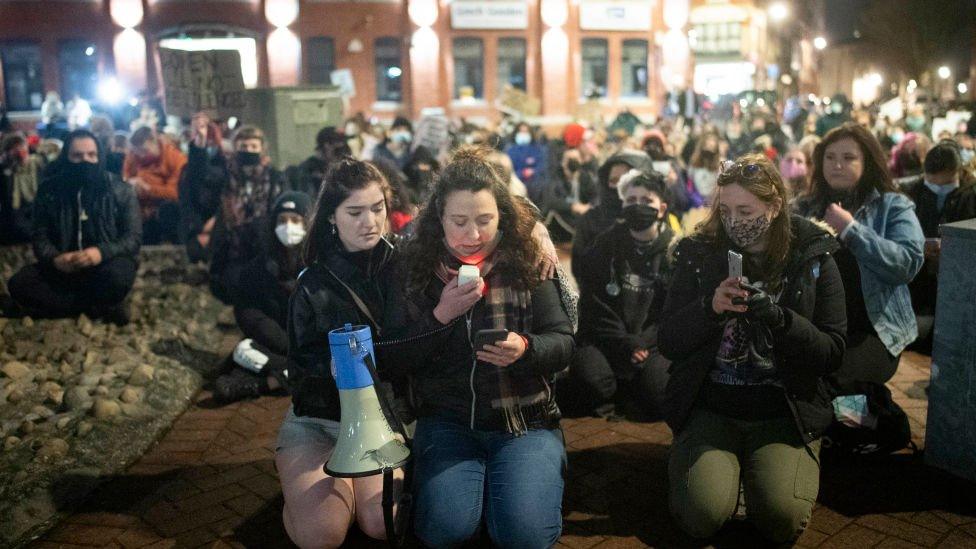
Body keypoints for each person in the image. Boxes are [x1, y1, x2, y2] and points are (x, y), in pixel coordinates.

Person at [389, 146, 574, 548]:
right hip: (448, 422)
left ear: (502, 217)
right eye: (459, 221)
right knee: (444, 530)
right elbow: (394, 356)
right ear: (438, 220)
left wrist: (526, 349)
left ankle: (531, 480)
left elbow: (563, 342)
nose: (472, 235)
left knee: (524, 536)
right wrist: (439, 316)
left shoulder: (528, 260)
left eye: (485, 220)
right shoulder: (416, 269)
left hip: (524, 421)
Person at [660, 154, 846, 544]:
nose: (733, 221)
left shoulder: (813, 256)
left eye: (745, 210)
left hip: (782, 408)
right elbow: (670, 340)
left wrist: (780, 319)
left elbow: (831, 352)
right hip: (712, 404)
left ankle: (758, 473)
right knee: (700, 517)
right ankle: (717, 471)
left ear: (775, 205)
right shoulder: (698, 252)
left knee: (782, 521)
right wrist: (709, 308)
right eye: (725, 210)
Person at [276, 158, 405, 548]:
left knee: (381, 523)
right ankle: (304, 494)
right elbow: (297, 371)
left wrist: (532, 229)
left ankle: (340, 488)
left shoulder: (405, 268)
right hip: (320, 422)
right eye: (355, 212)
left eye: (377, 208)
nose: (369, 221)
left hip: (382, 421)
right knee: (323, 534)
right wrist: (327, 369)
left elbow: (459, 227)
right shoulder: (312, 283)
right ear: (331, 216)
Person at [794, 123, 923, 432]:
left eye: (849, 157)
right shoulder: (804, 208)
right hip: (820, 329)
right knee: (796, 384)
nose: (837, 164)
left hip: (874, 332)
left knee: (825, 387)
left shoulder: (893, 206)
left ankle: (880, 417)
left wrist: (852, 230)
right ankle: (849, 420)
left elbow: (907, 263)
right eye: (830, 157)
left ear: (867, 163)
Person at [3, 130, 141, 324]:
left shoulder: (120, 189)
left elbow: (132, 238)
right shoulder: (49, 191)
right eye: (77, 155)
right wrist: (55, 259)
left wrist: (100, 253)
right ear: (66, 157)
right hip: (64, 269)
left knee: (118, 276)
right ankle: (95, 307)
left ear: (99, 156)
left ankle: (63, 308)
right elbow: (40, 236)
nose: (85, 160)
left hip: (104, 265)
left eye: (91, 155)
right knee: (20, 283)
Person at [569, 169, 676, 418]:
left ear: (661, 209)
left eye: (646, 200)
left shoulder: (675, 252)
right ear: (622, 205)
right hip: (606, 337)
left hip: (652, 343)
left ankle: (631, 389)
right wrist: (624, 342)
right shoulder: (603, 245)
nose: (637, 206)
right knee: (590, 381)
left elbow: (671, 312)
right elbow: (594, 305)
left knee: (658, 392)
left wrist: (643, 342)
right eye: (631, 200)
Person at [215, 191, 310, 402]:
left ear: (308, 223)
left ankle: (261, 383)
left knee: (321, 366)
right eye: (282, 220)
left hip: (309, 346)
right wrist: (284, 343)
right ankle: (286, 371)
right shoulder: (258, 268)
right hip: (275, 344)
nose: (289, 227)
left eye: (296, 220)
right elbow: (248, 310)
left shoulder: (320, 266)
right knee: (308, 367)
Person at [903, 141, 976, 352]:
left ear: (958, 173)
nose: (939, 189)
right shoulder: (913, 191)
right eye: (933, 184)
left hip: (957, 277)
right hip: (919, 274)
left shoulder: (970, 195)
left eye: (945, 184)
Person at [208, 125, 286, 304]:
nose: (248, 151)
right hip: (232, 246)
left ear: (262, 149)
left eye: (253, 147)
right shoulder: (224, 177)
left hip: (263, 243)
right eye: (243, 147)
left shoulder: (274, 177)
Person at [571, 149, 652, 281]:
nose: (619, 187)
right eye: (614, 180)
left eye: (626, 180)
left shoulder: (654, 218)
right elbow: (579, 268)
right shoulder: (590, 220)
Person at [122, 126, 187, 244]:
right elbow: (125, 179)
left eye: (144, 151)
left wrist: (147, 188)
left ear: (154, 142)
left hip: (163, 207)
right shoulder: (133, 155)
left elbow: (174, 193)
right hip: (138, 206)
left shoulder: (175, 158)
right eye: (138, 152)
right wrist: (129, 183)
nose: (141, 156)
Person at [541, 143, 598, 243]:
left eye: (575, 159)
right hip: (562, 218)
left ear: (580, 161)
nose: (573, 162)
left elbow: (596, 196)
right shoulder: (555, 177)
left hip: (581, 217)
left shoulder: (586, 177)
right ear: (563, 162)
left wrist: (588, 206)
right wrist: (572, 206)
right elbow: (551, 200)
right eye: (569, 159)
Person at [285, 126, 351, 197]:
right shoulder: (308, 169)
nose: (342, 153)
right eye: (338, 150)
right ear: (326, 145)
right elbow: (308, 198)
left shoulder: (343, 167)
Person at [0, 133, 41, 244]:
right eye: (15, 149)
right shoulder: (5, 171)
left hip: (36, 208)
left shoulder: (37, 164)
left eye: (22, 147)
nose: (20, 152)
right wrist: (7, 167)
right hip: (15, 214)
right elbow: (7, 202)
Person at [505, 121, 547, 197]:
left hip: (535, 184)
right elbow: (509, 169)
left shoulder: (537, 149)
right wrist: (521, 173)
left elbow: (542, 165)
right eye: (521, 131)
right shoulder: (511, 150)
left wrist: (533, 172)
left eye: (526, 132)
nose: (523, 134)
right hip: (517, 185)